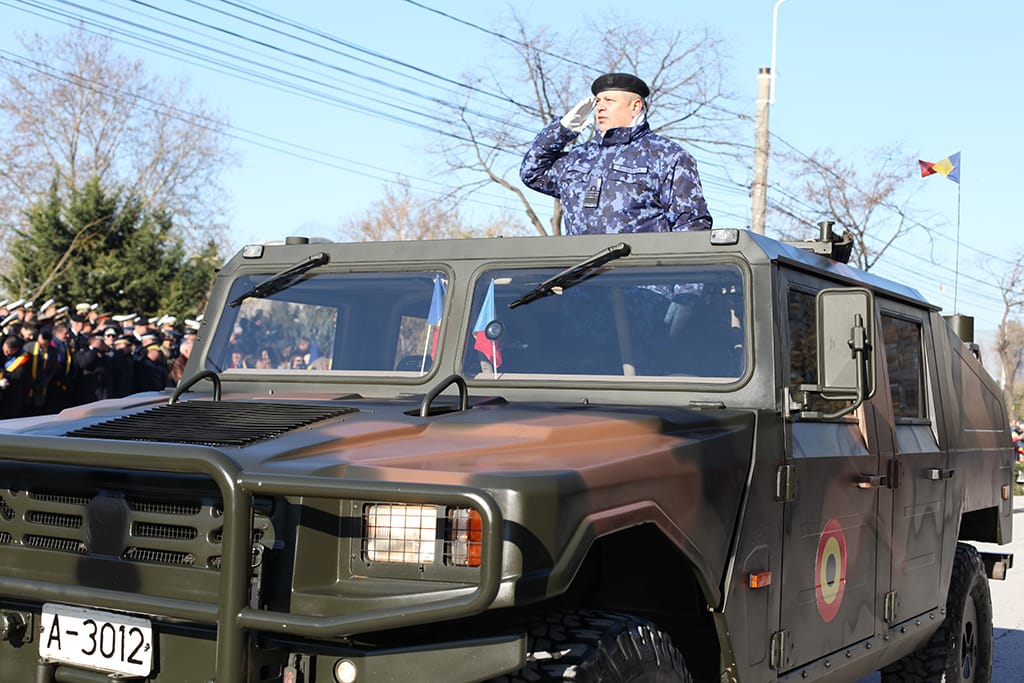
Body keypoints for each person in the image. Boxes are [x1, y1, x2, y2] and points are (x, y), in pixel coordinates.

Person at [520, 72, 712, 234]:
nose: (600, 107)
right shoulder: (579, 157)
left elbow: (691, 225)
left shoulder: (667, 156)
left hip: (641, 266)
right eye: (598, 101)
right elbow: (532, 172)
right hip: (580, 267)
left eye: (609, 100)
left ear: (635, 106)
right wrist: (561, 130)